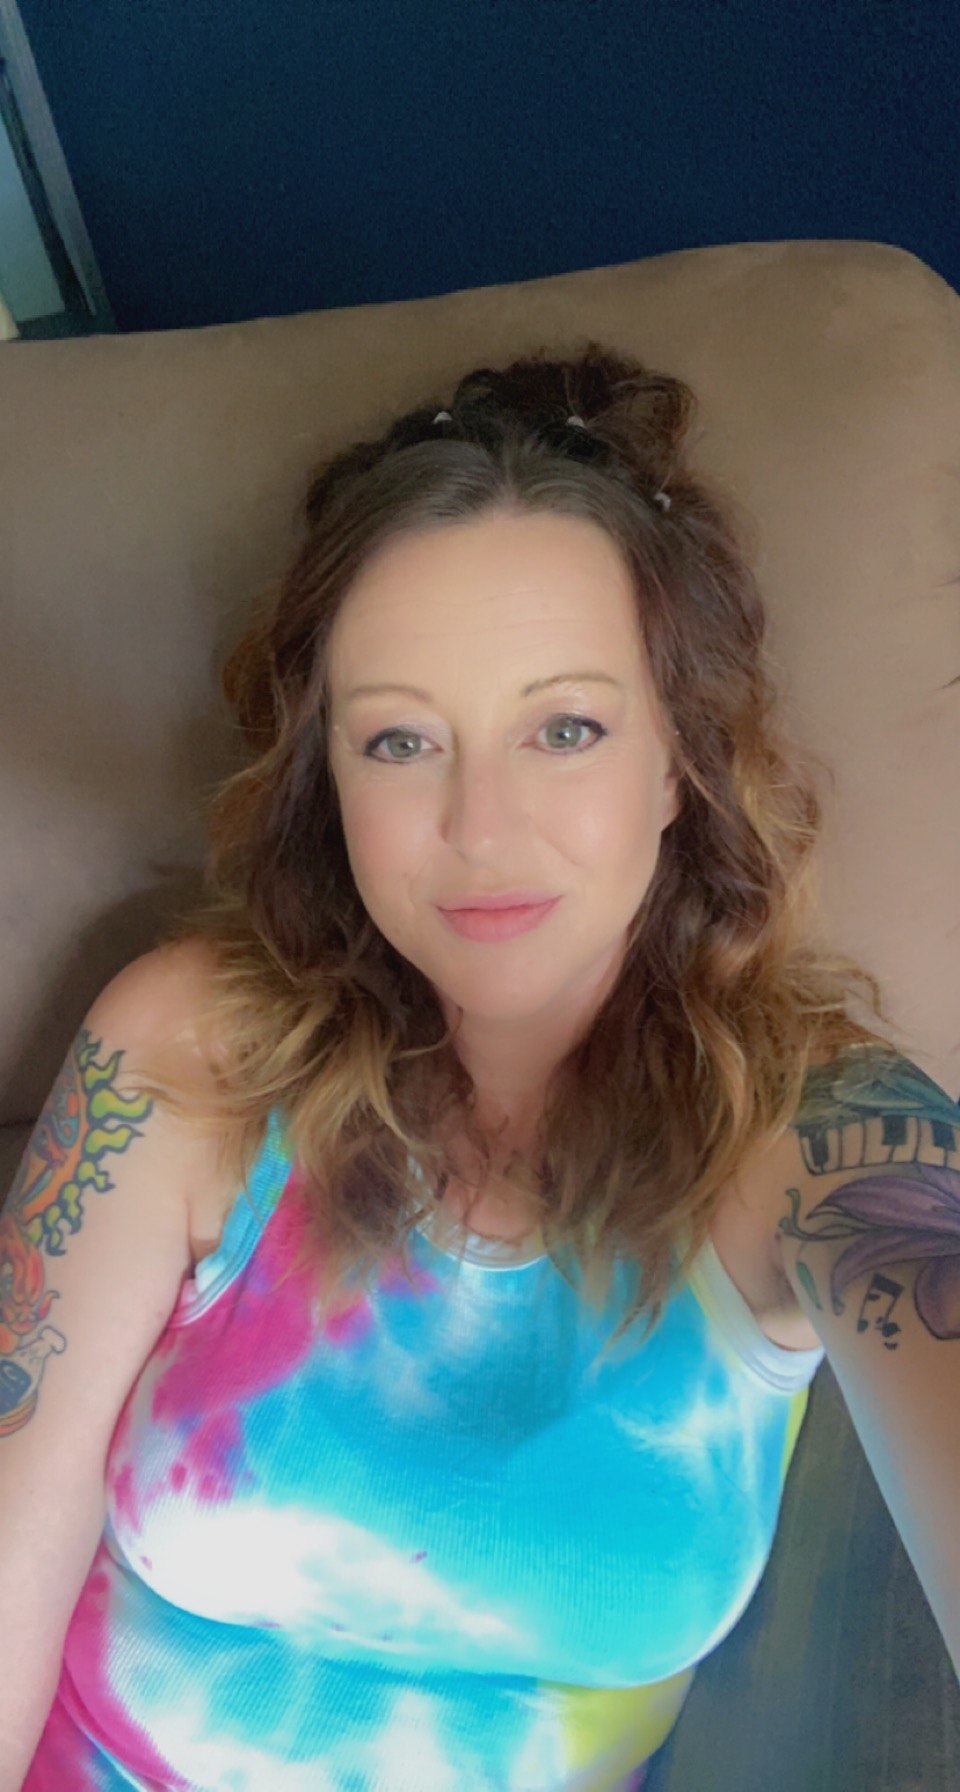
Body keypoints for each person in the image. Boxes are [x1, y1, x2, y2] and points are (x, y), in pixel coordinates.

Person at [2, 344, 905, 1791]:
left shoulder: (818, 1127)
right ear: (327, 779)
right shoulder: (185, 1047)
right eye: (401, 739)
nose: (482, 827)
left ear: (679, 762)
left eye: (566, 728)